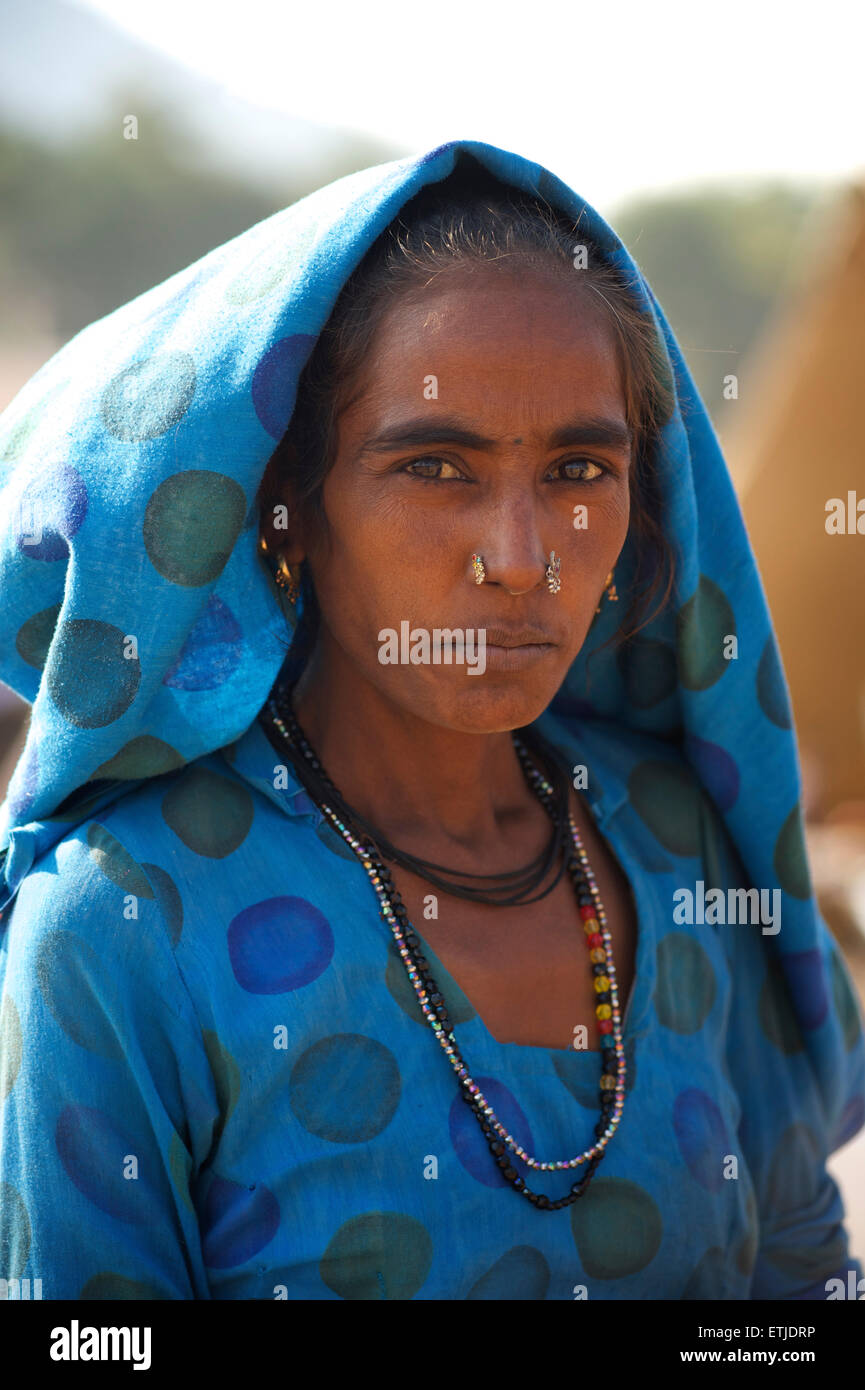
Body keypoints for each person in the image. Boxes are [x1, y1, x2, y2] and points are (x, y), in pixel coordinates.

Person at [0, 140, 863, 1302]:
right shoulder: (125, 923)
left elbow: (798, 1274)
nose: (521, 559)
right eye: (437, 467)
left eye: (576, 469)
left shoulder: (673, 845)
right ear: (289, 508)